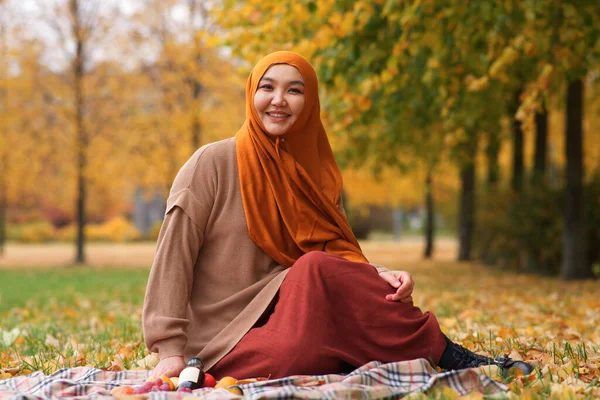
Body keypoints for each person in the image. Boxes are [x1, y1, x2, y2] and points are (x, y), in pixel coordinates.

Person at [142, 51, 532, 380]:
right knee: (312, 286)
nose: (279, 100)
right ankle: (438, 354)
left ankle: (451, 358)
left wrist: (375, 273)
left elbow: (334, 253)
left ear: (308, 105)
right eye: (267, 87)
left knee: (317, 288)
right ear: (251, 94)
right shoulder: (211, 163)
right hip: (221, 345)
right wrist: (170, 350)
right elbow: (173, 257)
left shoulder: (315, 175)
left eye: (294, 91)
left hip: (292, 327)